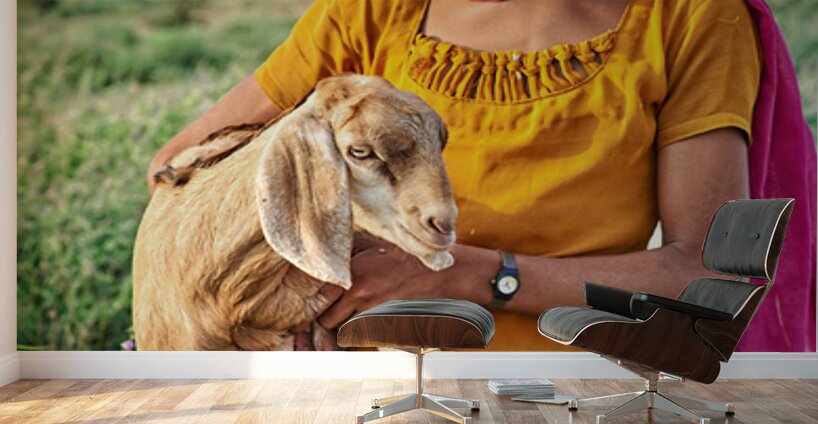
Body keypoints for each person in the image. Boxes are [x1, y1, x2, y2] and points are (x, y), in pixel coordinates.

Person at [148, 0, 761, 351]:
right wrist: (312, 266)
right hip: (357, 383)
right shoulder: (372, 11)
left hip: (570, 386)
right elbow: (177, 171)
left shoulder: (691, 17)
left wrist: (474, 273)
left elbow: (706, 276)